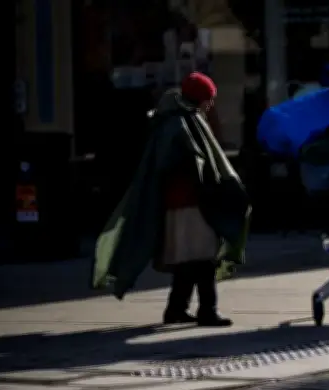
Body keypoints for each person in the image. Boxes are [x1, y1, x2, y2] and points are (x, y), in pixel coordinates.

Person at [92, 72, 251, 327]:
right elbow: (192, 162)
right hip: (191, 203)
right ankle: (207, 311)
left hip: (178, 203)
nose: (210, 104)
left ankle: (176, 309)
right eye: (209, 98)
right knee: (204, 259)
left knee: (188, 260)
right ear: (199, 98)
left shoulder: (171, 120)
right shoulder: (185, 122)